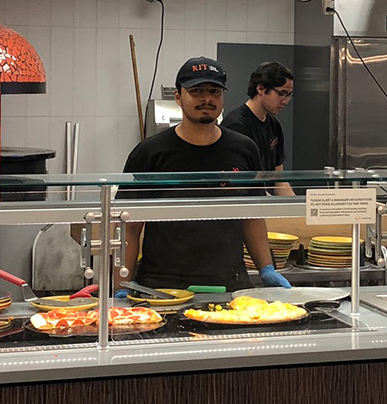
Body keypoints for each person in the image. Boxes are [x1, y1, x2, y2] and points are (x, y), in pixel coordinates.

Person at [119, 57, 292, 291]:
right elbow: (130, 225)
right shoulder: (149, 153)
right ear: (178, 97)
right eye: (196, 91)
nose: (206, 99)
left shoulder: (245, 148)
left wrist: (266, 268)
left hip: (229, 283)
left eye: (214, 91)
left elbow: (251, 215)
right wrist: (122, 283)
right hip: (161, 286)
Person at [220, 61, 295, 197]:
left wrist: (296, 208)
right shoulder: (236, 126)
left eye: (289, 95)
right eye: (281, 93)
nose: (285, 101)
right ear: (260, 89)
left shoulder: (274, 125)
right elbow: (240, 186)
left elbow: (278, 180)